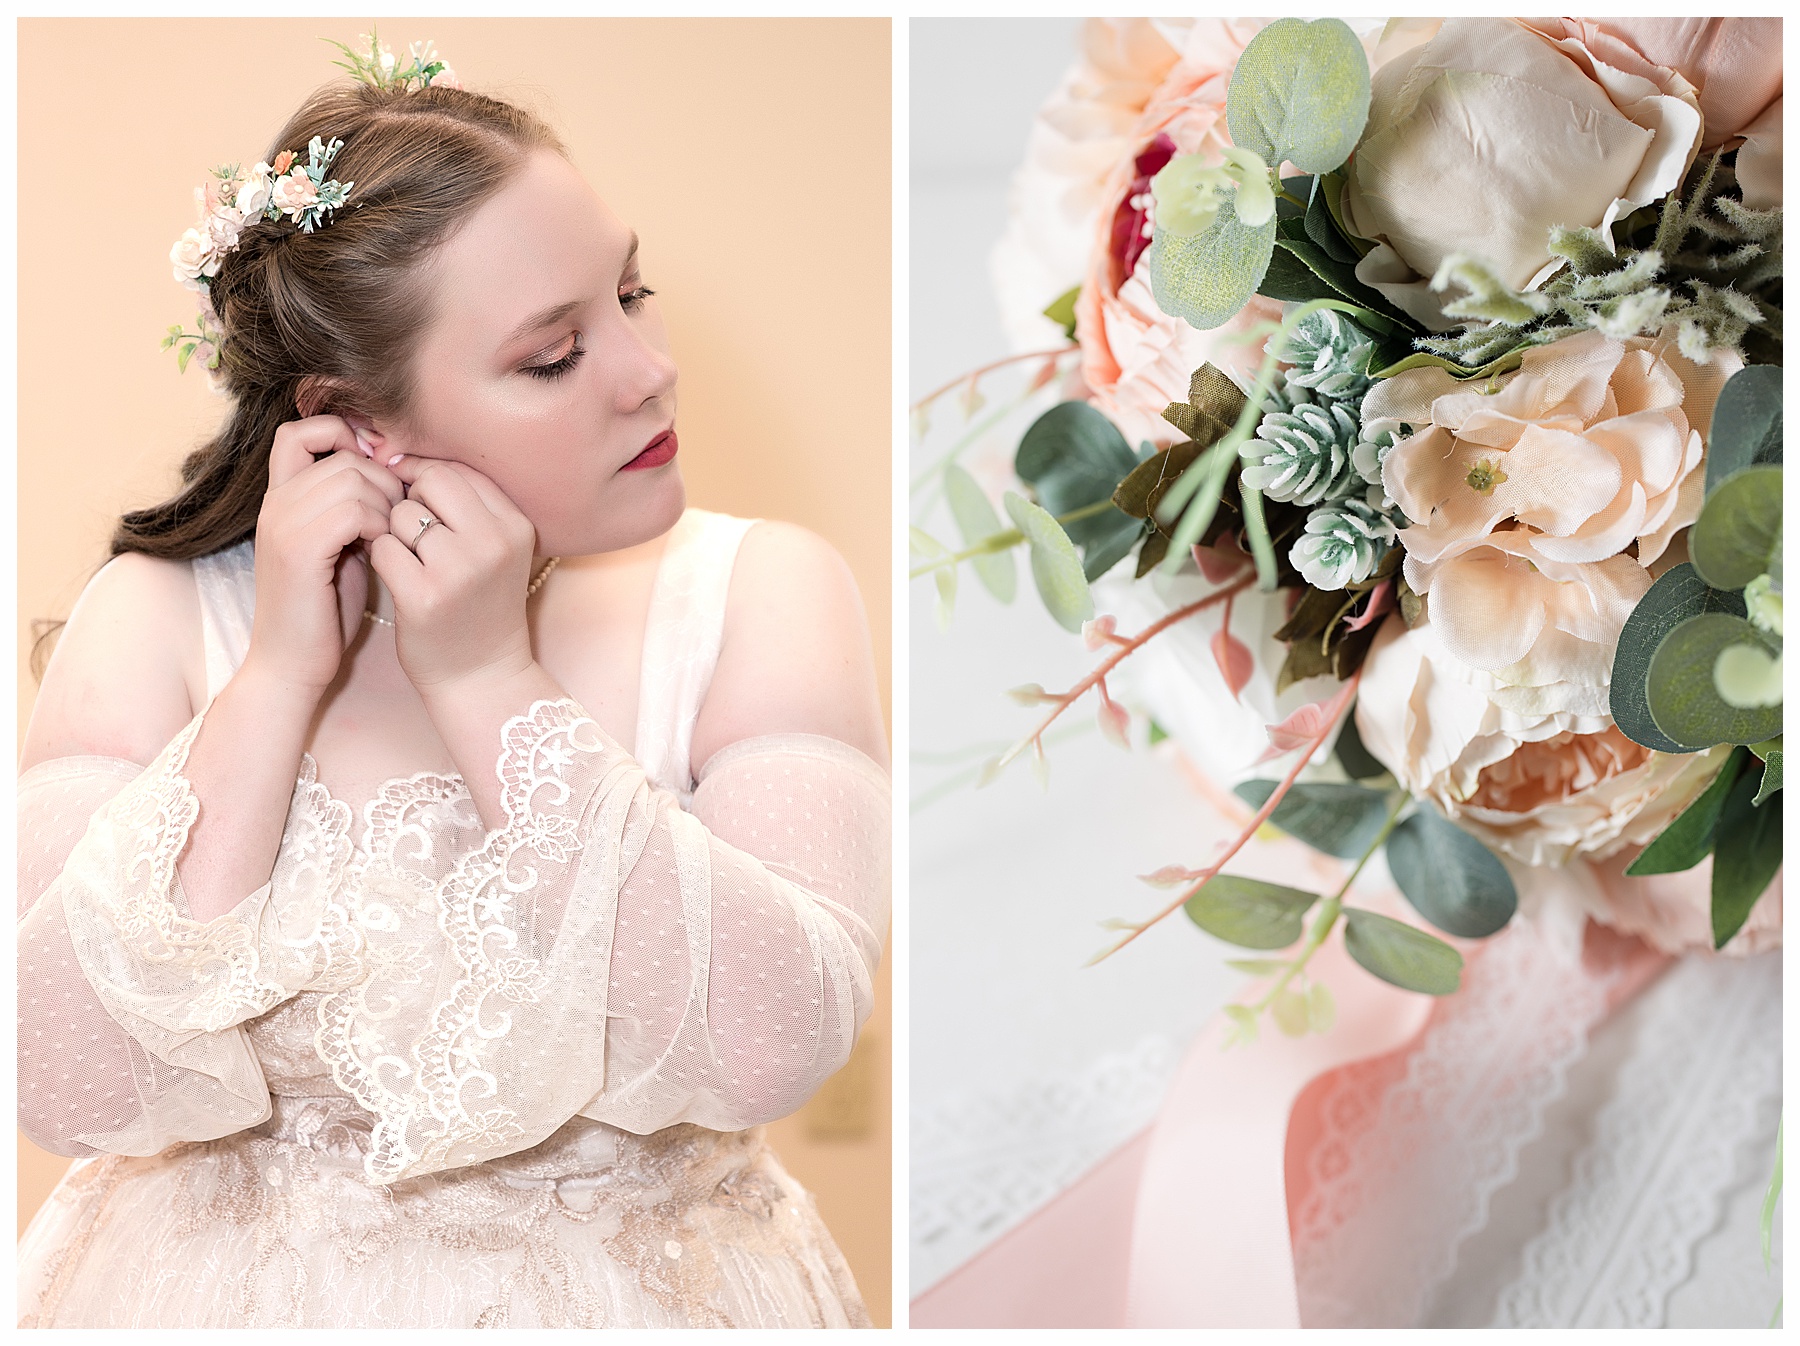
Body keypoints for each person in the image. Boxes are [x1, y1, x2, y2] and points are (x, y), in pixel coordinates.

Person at [16, 43, 889, 1329]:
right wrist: (275, 680)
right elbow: (65, 1080)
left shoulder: (758, 593)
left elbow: (771, 1044)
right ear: (357, 420)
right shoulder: (154, 620)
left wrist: (489, 678)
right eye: (554, 355)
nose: (649, 369)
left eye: (634, 293)